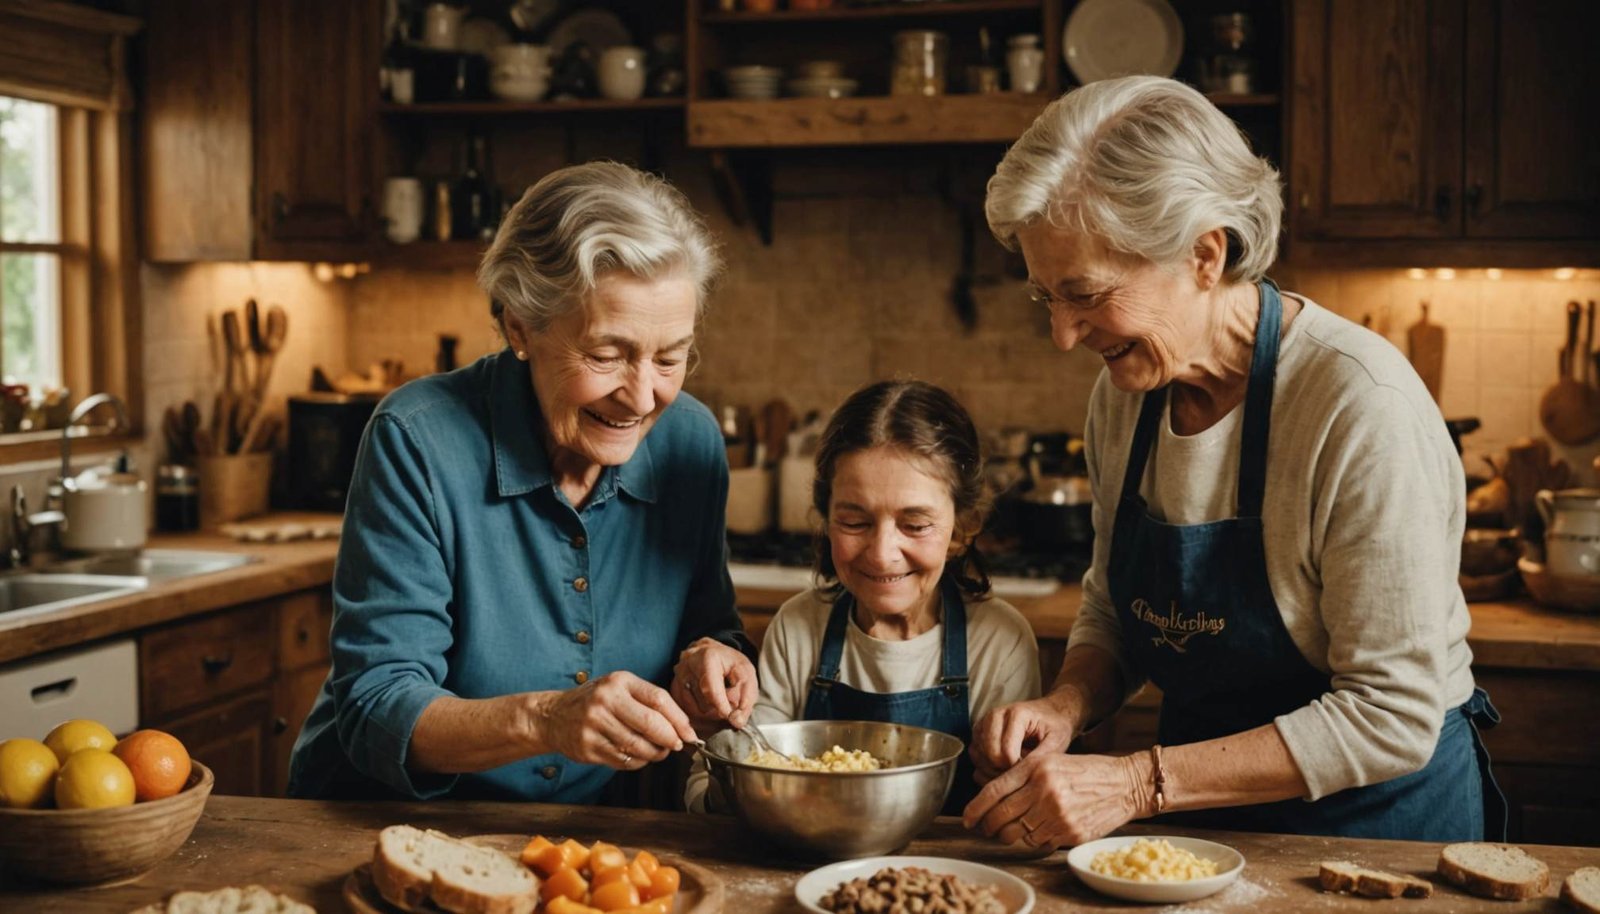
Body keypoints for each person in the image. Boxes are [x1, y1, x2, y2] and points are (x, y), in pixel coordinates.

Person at [963, 76, 1503, 847]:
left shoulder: (1359, 404)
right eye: (1046, 296)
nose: (1063, 334)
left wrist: (1138, 782)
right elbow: (1114, 607)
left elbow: (1392, 714)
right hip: (1199, 818)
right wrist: (1068, 704)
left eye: (1085, 294)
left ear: (1204, 255)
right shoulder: (1126, 393)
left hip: (1377, 832)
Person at [288, 162, 758, 803]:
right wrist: (548, 720)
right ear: (519, 327)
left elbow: (707, 623)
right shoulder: (417, 438)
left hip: (584, 841)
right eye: (606, 356)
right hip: (385, 823)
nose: (643, 396)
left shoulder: (691, 441)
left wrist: (712, 659)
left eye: (671, 357)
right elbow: (376, 706)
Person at [687, 380, 1041, 814]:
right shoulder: (799, 630)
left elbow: (1015, 805)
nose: (881, 553)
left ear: (963, 527)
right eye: (855, 522)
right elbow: (710, 789)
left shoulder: (998, 641)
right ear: (825, 519)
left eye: (915, 525)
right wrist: (725, 766)